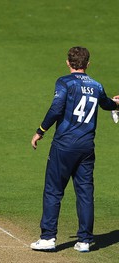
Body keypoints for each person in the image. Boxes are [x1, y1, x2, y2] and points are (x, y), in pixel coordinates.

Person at [30, 46, 119, 252]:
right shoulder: (96, 85)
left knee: (53, 191)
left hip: (64, 145)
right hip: (86, 147)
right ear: (88, 64)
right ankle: (85, 240)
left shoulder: (65, 82)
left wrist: (40, 130)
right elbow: (105, 104)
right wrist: (116, 105)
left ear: (68, 63)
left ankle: (48, 237)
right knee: (85, 193)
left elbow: (56, 108)